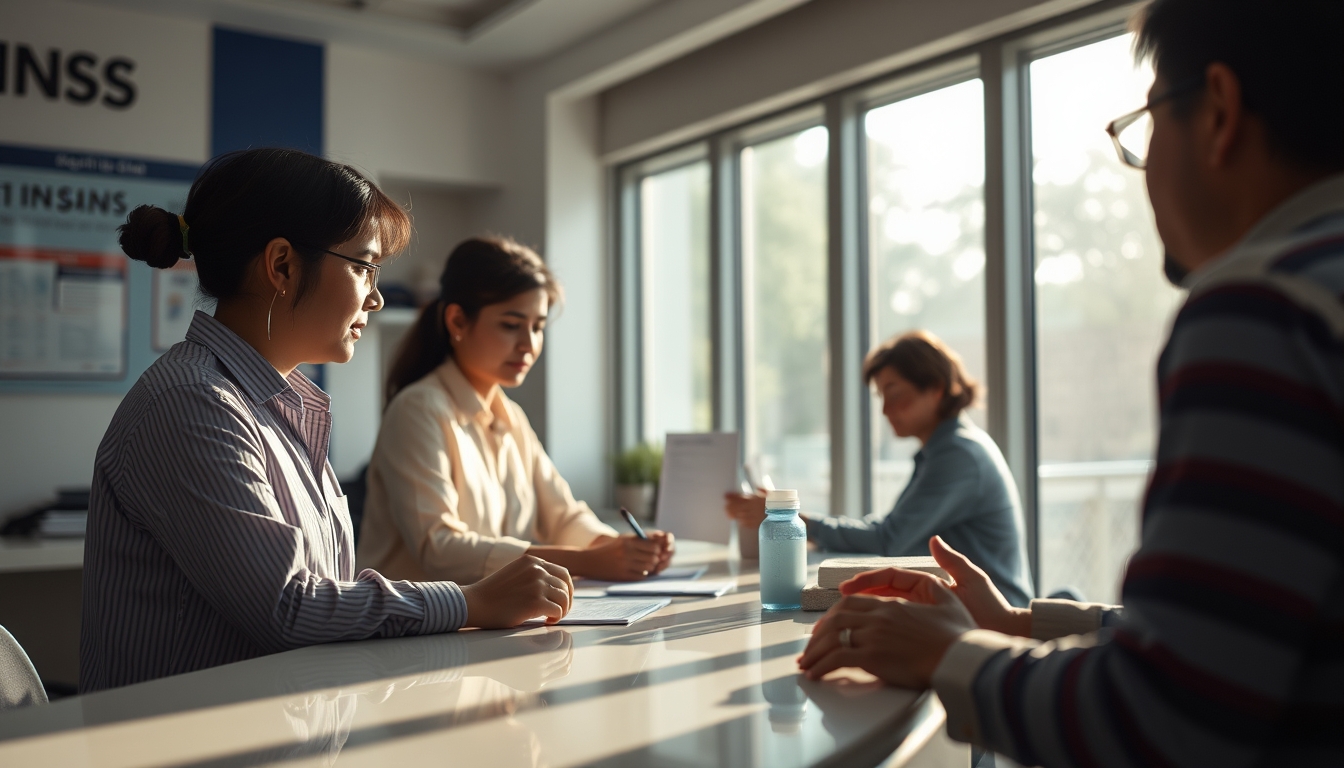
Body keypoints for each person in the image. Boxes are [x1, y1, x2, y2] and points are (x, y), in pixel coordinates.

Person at [799, 1, 1344, 764]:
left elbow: (1160, 721)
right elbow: (1233, 636)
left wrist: (949, 655)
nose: (1143, 167)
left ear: (1218, 110)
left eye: (1147, 123)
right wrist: (1019, 623)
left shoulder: (1267, 309)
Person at [81, 149, 574, 693]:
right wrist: (469, 601)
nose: (377, 298)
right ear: (282, 266)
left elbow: (326, 591)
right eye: (363, 267)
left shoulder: (280, 406)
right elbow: (288, 605)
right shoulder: (193, 403)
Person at [357, 237, 674, 585]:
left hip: (489, 614)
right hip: (413, 618)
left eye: (538, 327)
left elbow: (563, 516)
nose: (529, 344)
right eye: (511, 325)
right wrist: (588, 561)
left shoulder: (510, 417)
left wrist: (621, 549)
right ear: (458, 321)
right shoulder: (417, 410)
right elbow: (439, 548)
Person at [725, 330, 1033, 607]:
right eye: (882, 397)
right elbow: (891, 531)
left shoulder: (959, 456)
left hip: (995, 614)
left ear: (936, 389)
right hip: (972, 607)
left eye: (895, 394)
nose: (885, 410)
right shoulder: (947, 450)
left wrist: (797, 522)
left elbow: (889, 540)